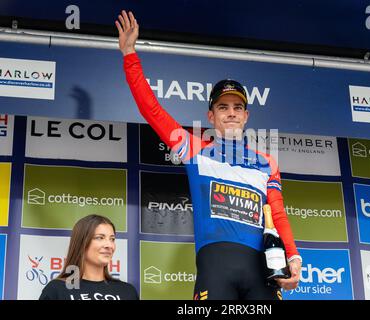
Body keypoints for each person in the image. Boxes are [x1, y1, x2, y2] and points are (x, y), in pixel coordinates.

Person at [116, 10, 302, 300]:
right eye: (223, 108)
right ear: (211, 116)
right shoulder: (195, 149)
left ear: (246, 116)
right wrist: (129, 54)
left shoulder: (267, 163)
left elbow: (277, 214)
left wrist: (293, 257)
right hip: (215, 267)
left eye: (237, 108)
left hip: (261, 270)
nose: (231, 113)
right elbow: (151, 110)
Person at [39, 214, 138, 300]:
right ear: (82, 243)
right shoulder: (57, 289)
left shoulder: (127, 291)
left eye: (112, 239)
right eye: (100, 238)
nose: (109, 245)